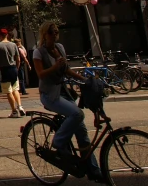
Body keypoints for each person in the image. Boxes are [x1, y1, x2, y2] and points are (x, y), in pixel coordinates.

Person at [33, 22, 102, 181]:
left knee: (81, 129)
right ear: (45, 34)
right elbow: (41, 74)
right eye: (52, 32)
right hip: (49, 94)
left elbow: (66, 70)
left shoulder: (60, 48)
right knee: (77, 114)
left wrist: (85, 80)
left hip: (64, 91)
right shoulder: (38, 52)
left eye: (56, 32)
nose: (55, 35)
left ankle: (93, 169)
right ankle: (59, 141)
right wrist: (55, 66)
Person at [0, 28, 25, 118]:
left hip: (4, 69)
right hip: (13, 68)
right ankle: (20, 106)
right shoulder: (13, 45)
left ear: (0, 35)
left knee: (8, 91)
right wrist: (17, 67)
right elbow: (18, 58)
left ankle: (14, 111)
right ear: (7, 35)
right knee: (15, 88)